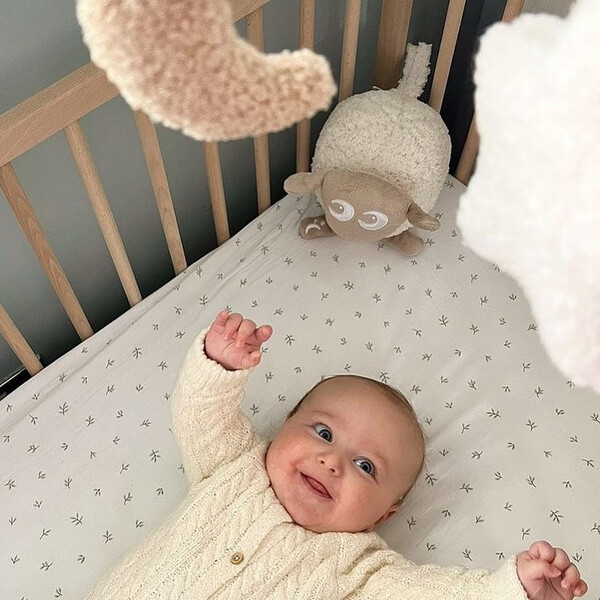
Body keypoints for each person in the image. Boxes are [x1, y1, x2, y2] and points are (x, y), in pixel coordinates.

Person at [83, 311, 588, 600]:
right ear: (285, 427)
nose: (333, 462)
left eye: (366, 467)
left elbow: (434, 596)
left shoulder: (362, 569)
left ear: (383, 515)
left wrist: (512, 589)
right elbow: (199, 412)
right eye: (323, 432)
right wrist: (219, 365)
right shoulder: (234, 464)